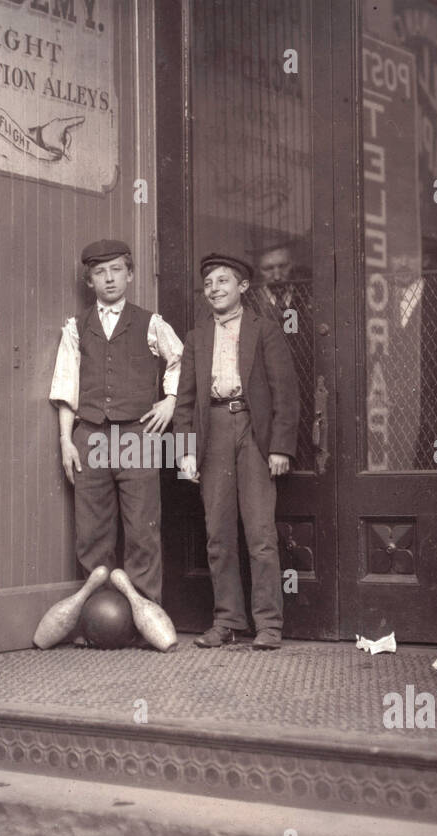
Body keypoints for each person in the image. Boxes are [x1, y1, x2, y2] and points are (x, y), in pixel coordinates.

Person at [174, 253, 299, 650]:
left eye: (223, 281)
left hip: (253, 431)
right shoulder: (196, 337)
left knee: (261, 533)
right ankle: (227, 621)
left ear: (243, 287)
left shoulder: (265, 331)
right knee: (218, 535)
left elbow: (286, 392)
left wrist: (281, 447)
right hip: (212, 432)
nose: (214, 289)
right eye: (208, 283)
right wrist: (184, 452)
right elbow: (184, 400)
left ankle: (268, 626)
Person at [49, 239, 183, 603]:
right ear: (89, 280)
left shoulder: (150, 322)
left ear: (130, 275)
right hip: (89, 436)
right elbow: (66, 388)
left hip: (138, 437)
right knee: (92, 533)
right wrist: (65, 441)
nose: (109, 279)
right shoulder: (76, 327)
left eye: (116, 271)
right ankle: (99, 618)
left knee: (142, 530)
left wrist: (169, 402)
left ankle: (143, 617)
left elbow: (180, 362)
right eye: (99, 272)